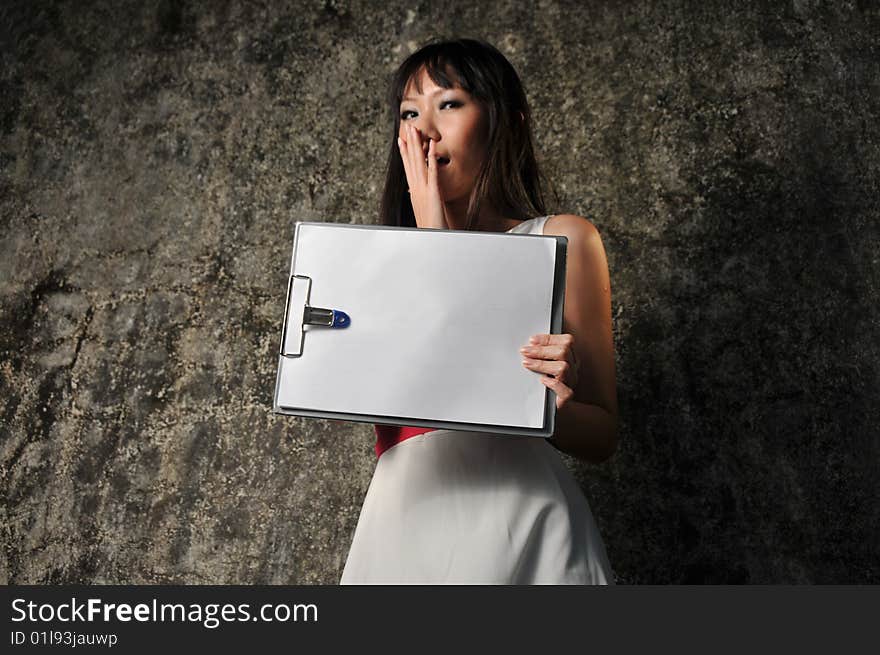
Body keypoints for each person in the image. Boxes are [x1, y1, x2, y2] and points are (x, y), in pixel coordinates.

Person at [340, 37, 618, 584]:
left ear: (503, 121)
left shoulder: (562, 239)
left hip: (521, 524)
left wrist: (546, 404)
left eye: (449, 104)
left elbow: (601, 435)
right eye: (408, 113)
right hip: (403, 524)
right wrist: (430, 243)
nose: (425, 130)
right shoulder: (372, 270)